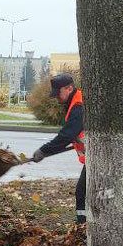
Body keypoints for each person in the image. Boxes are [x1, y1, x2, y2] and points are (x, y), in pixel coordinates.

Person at [30, 73, 86, 223]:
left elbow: (66, 135)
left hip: (100, 157)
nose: (56, 97)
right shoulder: (74, 102)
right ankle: (84, 224)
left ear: (69, 88)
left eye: (58, 93)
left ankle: (83, 225)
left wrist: (44, 150)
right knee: (85, 192)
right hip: (95, 157)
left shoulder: (79, 106)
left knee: (83, 192)